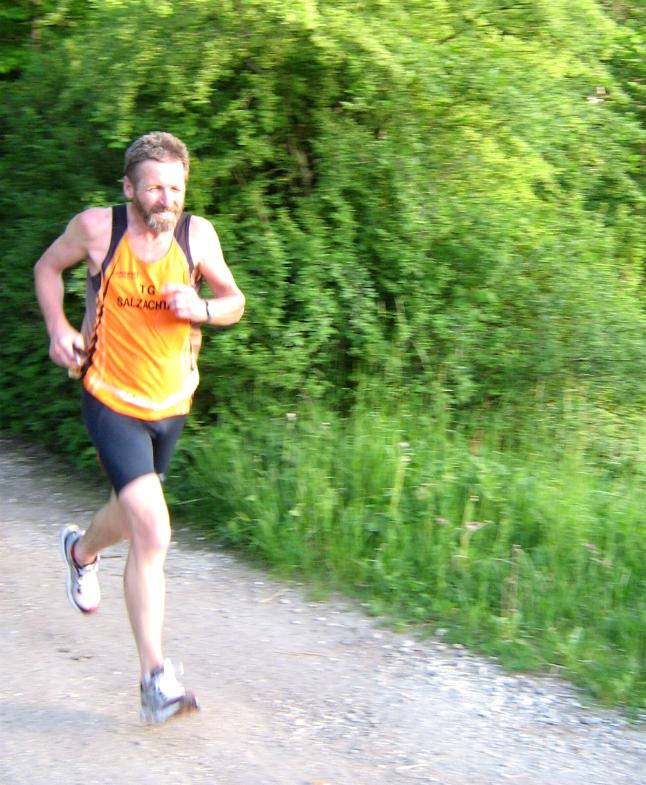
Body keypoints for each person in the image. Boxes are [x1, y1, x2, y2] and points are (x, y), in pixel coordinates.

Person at [33, 131, 245, 724]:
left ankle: (80, 552)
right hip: (110, 397)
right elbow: (47, 268)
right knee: (153, 527)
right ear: (128, 188)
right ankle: (156, 680)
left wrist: (203, 309)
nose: (166, 199)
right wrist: (58, 328)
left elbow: (234, 301)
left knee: (129, 516)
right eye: (154, 188)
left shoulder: (197, 237)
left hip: (172, 403)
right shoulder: (98, 230)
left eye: (176, 188)